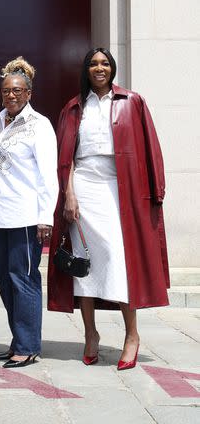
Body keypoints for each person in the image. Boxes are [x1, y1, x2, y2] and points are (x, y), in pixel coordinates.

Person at [47, 48, 169, 370]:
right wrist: (69, 194)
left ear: (112, 68)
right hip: (84, 186)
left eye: (104, 63)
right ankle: (91, 335)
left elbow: (151, 146)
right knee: (83, 265)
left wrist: (156, 191)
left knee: (118, 259)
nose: (99, 68)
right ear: (86, 70)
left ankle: (132, 335)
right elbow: (65, 157)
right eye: (93, 64)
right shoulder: (74, 107)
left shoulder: (132, 101)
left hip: (120, 188)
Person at [0, 56, 59, 368]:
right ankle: (18, 339)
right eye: (5, 91)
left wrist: (45, 216)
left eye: (17, 91)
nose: (10, 95)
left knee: (23, 279)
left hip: (27, 216)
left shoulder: (39, 126)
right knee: (4, 279)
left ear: (28, 93)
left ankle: (28, 346)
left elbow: (47, 175)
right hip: (0, 217)